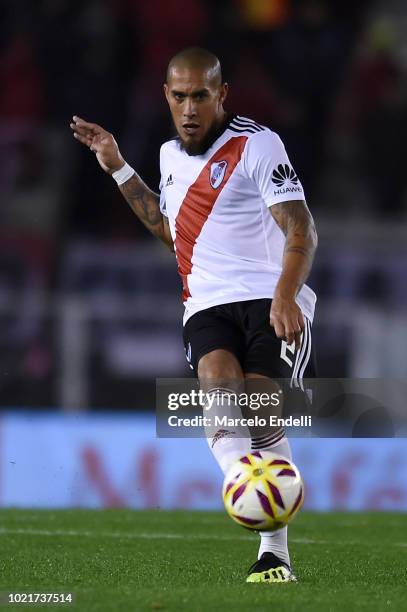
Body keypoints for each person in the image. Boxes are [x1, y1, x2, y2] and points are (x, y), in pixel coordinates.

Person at [70, 47, 318, 583]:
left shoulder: (257, 144)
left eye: (200, 96)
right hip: (205, 301)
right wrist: (116, 166)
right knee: (216, 381)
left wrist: (284, 294)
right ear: (166, 96)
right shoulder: (167, 155)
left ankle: (275, 552)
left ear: (220, 95)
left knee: (259, 411)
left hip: (267, 298)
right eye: (179, 96)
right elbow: (170, 229)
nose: (189, 108)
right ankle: (247, 486)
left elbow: (302, 229)